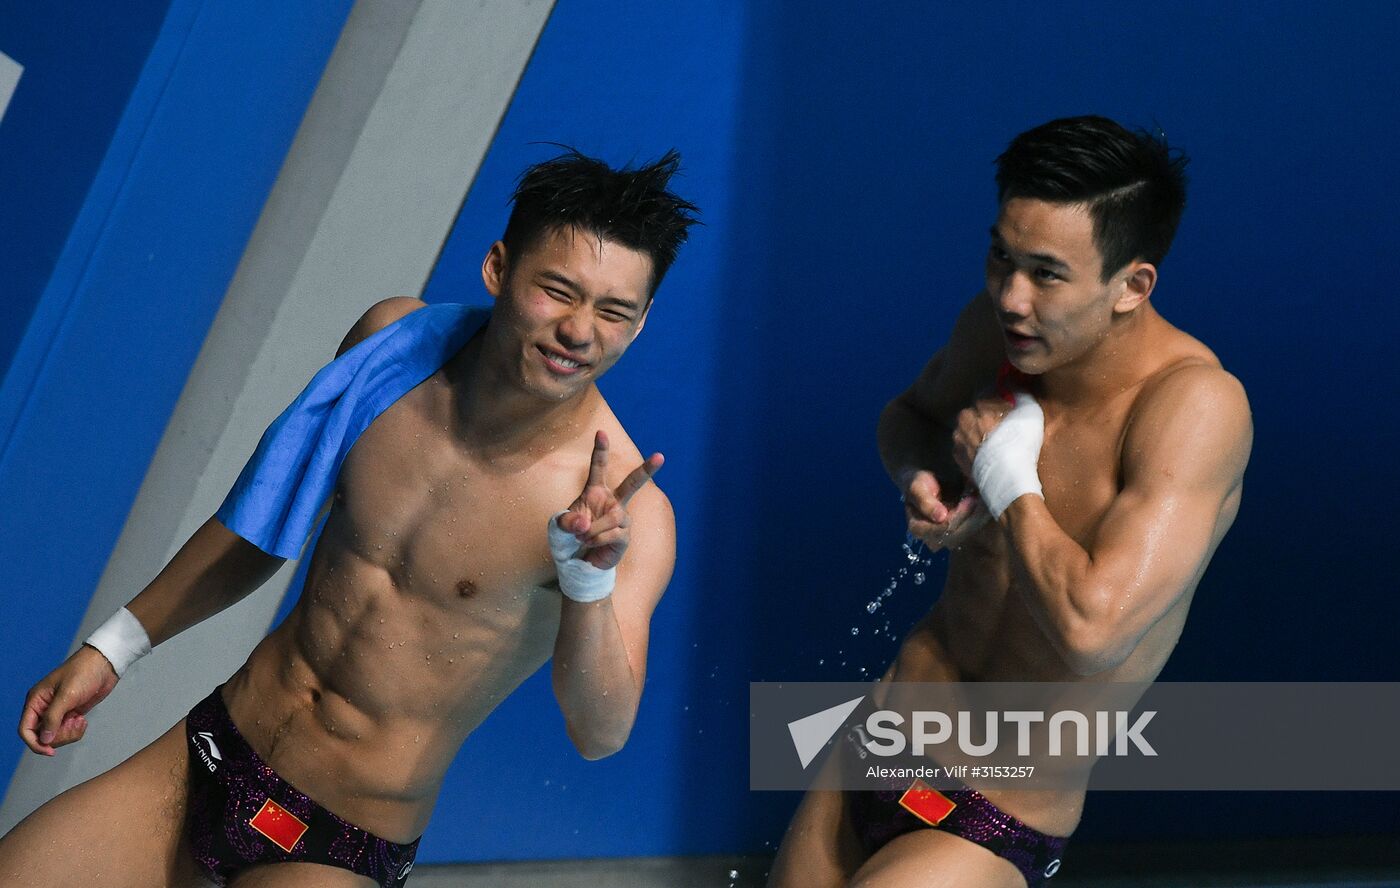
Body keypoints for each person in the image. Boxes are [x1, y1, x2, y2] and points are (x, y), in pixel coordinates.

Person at [0, 148, 699, 888]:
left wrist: (587, 583)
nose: (580, 331)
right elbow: (265, 521)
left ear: (642, 320)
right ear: (499, 269)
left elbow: (601, 732)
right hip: (211, 750)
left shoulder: (629, 514)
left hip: (337, 839)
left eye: (614, 311)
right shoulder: (391, 346)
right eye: (558, 292)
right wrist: (114, 647)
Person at [768, 116, 1253, 888]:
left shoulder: (1191, 408)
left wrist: (1004, 478)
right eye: (1001, 256)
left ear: (1133, 285)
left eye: (1047, 273)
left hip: (992, 814)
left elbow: (1094, 631)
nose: (1011, 297)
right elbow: (910, 419)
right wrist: (921, 481)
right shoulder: (995, 334)